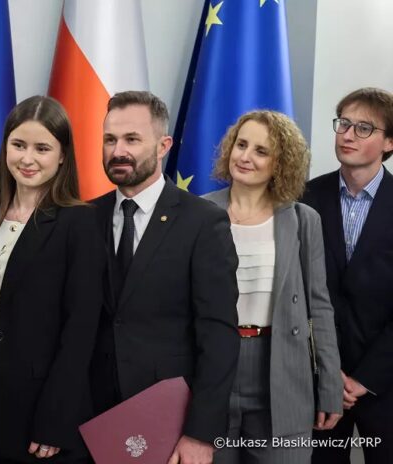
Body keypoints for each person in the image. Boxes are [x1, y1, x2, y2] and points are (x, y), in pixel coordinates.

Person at [89, 90, 240, 464]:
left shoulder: (202, 222)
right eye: (110, 139)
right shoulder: (83, 217)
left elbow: (218, 336)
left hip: (166, 420)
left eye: (132, 139)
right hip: (88, 415)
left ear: (163, 146)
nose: (117, 150)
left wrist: (201, 433)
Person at [0, 95, 104, 463]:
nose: (27, 159)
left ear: (62, 155)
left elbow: (80, 331)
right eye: (18, 145)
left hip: (41, 416)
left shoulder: (80, 224)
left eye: (42, 148)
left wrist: (56, 418)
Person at [203, 110, 343, 463]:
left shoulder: (302, 219)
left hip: (282, 370)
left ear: (281, 164)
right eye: (241, 144)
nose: (246, 157)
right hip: (211, 369)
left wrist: (330, 387)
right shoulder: (197, 212)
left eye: (261, 151)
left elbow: (319, 307)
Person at [303, 87, 393, 464]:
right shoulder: (304, 197)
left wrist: (364, 379)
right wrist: (329, 372)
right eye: (343, 124)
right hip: (319, 379)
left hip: (385, 383)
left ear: (389, 142)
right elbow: (297, 295)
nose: (348, 134)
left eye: (364, 128)